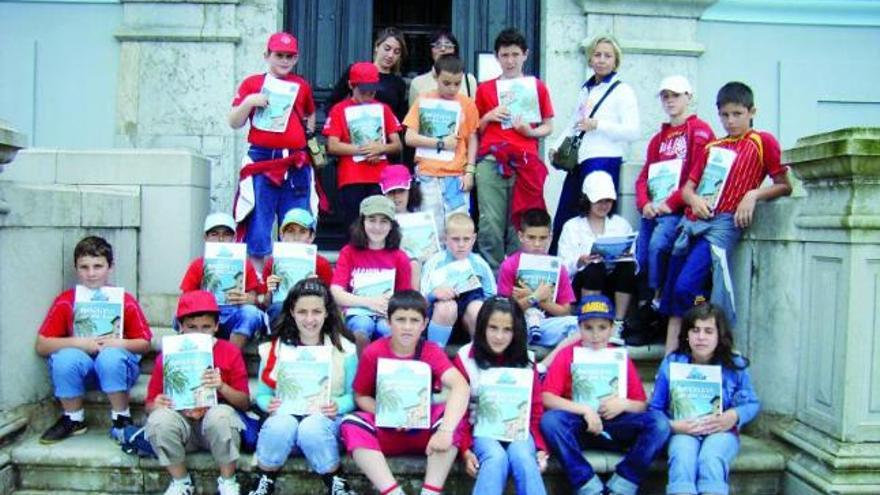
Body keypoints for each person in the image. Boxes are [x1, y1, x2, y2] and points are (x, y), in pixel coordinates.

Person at [659, 81, 792, 354]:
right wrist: (694, 200)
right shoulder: (712, 146)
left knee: (687, 287)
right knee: (673, 290)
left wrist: (753, 194)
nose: (730, 121)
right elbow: (687, 189)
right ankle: (670, 359)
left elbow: (784, 184)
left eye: (737, 114)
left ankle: (702, 345)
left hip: (723, 225)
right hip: (694, 221)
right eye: (724, 115)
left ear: (751, 111)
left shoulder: (762, 141)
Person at [340, 290, 470, 495]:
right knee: (351, 423)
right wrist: (387, 415)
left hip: (425, 432)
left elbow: (460, 386)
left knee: (452, 417)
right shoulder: (374, 351)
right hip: (388, 429)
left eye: (414, 320)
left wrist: (445, 431)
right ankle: (392, 491)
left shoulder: (431, 351)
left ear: (425, 324)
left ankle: (430, 491)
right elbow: (361, 396)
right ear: (389, 322)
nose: (407, 327)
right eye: (400, 319)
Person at [541, 295, 671, 495]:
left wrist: (623, 404)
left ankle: (624, 483)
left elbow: (641, 404)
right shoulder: (567, 354)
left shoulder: (620, 357)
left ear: (611, 329)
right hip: (579, 427)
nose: (595, 335)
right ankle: (587, 484)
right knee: (550, 422)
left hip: (616, 424)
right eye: (588, 328)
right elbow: (547, 397)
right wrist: (584, 410)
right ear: (579, 328)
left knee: (660, 423)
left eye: (602, 327)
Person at [35, 236, 152, 444]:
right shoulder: (67, 301)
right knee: (65, 358)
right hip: (83, 371)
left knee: (111, 357)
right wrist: (79, 343)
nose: (91, 273)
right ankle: (73, 418)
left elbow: (145, 343)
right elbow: (42, 344)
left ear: (110, 267)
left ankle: (121, 417)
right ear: (76, 268)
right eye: (84, 267)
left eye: (98, 266)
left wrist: (118, 343)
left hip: (118, 370)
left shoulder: (124, 300)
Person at [247, 279, 358, 495]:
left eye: (316, 311)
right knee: (280, 423)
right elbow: (261, 393)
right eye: (302, 312)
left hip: (324, 424)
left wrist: (338, 405)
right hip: (285, 420)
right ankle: (264, 479)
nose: (309, 319)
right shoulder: (274, 348)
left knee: (311, 426)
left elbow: (353, 395)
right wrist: (267, 402)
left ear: (327, 313)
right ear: (292, 312)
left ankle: (336, 481)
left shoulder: (344, 350)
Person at [145, 291, 250, 495]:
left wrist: (222, 387)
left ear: (216, 326)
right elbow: (150, 403)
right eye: (191, 327)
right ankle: (181, 481)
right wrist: (157, 404)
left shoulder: (229, 351)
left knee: (222, 415)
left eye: (206, 327)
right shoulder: (168, 354)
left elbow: (245, 402)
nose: (199, 333)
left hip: (215, 429)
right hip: (182, 428)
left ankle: (228, 481)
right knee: (158, 420)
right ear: (181, 327)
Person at [228, 32, 318, 268]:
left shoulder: (302, 86)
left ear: (296, 58)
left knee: (297, 221)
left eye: (290, 56)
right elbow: (234, 121)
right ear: (267, 55)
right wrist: (249, 102)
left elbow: (310, 114)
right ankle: (258, 281)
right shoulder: (252, 84)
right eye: (279, 55)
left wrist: (304, 137)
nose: (284, 61)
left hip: (295, 163)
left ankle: (294, 278)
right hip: (263, 162)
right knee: (259, 222)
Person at [649, 303, 760, 495]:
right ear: (686, 334)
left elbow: (752, 403)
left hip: (720, 431)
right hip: (683, 430)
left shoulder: (735, 364)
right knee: (682, 456)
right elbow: (654, 408)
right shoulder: (672, 363)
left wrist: (734, 415)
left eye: (708, 331)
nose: (701, 337)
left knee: (711, 458)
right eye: (695, 330)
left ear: (719, 335)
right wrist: (673, 426)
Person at [549, 35, 639, 254]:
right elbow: (574, 122)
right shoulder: (586, 89)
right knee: (566, 215)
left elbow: (633, 131)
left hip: (604, 159)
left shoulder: (622, 91)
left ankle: (600, 264)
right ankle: (562, 267)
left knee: (597, 216)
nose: (601, 60)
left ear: (616, 61)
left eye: (607, 56)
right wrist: (557, 145)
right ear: (590, 59)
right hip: (581, 160)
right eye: (597, 55)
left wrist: (598, 125)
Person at [474, 27, 554, 270]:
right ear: (496, 57)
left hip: (525, 161)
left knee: (520, 221)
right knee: (490, 222)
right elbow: (474, 130)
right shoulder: (484, 88)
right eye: (505, 55)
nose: (510, 61)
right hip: (491, 160)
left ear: (525, 55)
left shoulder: (537, 87)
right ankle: (494, 278)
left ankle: (517, 274)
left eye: (515, 54)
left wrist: (530, 132)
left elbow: (548, 126)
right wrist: (488, 116)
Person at [453, 297, 548, 495]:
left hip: (520, 430)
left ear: (517, 331)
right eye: (493, 327)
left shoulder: (526, 359)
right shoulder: (464, 358)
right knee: (495, 458)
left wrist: (540, 447)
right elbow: (458, 412)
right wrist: (465, 449)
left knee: (523, 456)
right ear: (482, 328)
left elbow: (536, 409)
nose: (499, 336)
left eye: (507, 330)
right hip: (480, 430)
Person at [634, 75, 714, 309]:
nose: (670, 101)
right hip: (653, 210)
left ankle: (658, 301)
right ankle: (646, 305)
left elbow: (700, 175)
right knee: (641, 257)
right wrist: (644, 203)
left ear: (688, 97)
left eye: (676, 95)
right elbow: (643, 177)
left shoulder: (700, 131)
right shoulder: (657, 138)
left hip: (679, 210)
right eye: (665, 96)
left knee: (659, 246)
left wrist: (672, 202)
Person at [404, 54, 480, 240]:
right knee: (430, 230)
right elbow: (409, 137)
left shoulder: (467, 104)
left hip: (456, 175)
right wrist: (440, 143)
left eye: (457, 83)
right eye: (446, 83)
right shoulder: (424, 99)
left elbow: (473, 138)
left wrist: (470, 171)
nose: (452, 88)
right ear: (436, 77)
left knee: (459, 230)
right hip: (428, 174)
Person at [557, 171, 636, 344]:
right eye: (599, 200)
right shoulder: (572, 226)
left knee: (627, 266)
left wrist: (625, 255)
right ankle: (588, 317)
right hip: (584, 283)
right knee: (594, 268)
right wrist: (580, 261)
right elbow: (561, 267)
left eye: (607, 200)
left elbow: (633, 258)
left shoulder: (620, 224)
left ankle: (619, 322)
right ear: (588, 200)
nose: (604, 205)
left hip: (612, 281)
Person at [324, 62, 403, 231]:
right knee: (354, 226)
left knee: (380, 226)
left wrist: (381, 149)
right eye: (363, 90)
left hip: (380, 177)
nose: (368, 94)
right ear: (351, 85)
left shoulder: (384, 108)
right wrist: (365, 150)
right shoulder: (339, 109)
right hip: (351, 177)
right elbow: (332, 145)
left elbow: (397, 144)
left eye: (372, 90)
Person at [329, 196, 412, 354]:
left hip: (387, 313)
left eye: (384, 221)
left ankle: (386, 374)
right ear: (362, 222)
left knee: (387, 328)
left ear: (391, 226)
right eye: (372, 220)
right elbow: (336, 292)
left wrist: (390, 307)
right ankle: (362, 372)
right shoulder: (349, 252)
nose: (377, 227)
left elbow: (405, 297)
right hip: (357, 312)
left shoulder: (399, 257)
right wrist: (369, 302)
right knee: (362, 326)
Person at [179, 212, 267, 349]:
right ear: (205, 237)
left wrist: (250, 298)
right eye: (214, 234)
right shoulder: (198, 264)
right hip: (204, 318)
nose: (221, 239)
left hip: (233, 316)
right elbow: (185, 298)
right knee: (178, 317)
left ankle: (231, 356)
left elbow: (255, 295)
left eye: (227, 234)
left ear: (234, 238)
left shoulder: (245, 263)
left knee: (251, 313)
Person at [497, 208, 578, 351]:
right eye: (531, 237)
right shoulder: (509, 265)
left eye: (542, 238)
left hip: (548, 324)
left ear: (550, 237)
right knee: (504, 326)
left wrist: (539, 299)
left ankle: (555, 363)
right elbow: (505, 311)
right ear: (521, 236)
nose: (537, 244)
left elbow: (566, 311)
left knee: (577, 324)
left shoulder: (558, 267)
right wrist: (534, 297)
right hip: (517, 325)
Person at [420, 212, 496, 346]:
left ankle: (480, 355)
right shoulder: (434, 262)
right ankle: (435, 354)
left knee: (478, 308)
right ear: (445, 238)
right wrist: (434, 294)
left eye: (466, 239)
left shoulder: (480, 264)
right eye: (455, 239)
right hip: (440, 319)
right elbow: (420, 302)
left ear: (473, 239)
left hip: (469, 322)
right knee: (447, 307)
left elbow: (493, 298)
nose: (461, 244)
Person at [262, 208, 334, 322]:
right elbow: (265, 304)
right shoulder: (272, 262)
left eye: (302, 231)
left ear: (311, 236)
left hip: (311, 312)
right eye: (290, 231)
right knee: (277, 308)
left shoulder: (321, 263)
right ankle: (280, 340)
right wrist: (270, 291)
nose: (296, 237)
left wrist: (319, 289)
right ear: (282, 235)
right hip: (281, 308)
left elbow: (331, 302)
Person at [327, 27, 409, 122]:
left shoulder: (399, 83)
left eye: (396, 52)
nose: (390, 55)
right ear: (377, 47)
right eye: (387, 48)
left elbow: (399, 118)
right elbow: (332, 103)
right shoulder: (356, 70)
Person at [379, 164, 423, 289]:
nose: (396, 196)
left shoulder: (422, 220)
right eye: (391, 192)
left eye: (401, 191)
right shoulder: (377, 225)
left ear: (410, 191)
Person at [408, 29, 479, 105]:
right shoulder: (418, 83)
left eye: (448, 45)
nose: (443, 49)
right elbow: (413, 114)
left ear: (455, 50)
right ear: (430, 51)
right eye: (438, 45)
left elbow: (473, 111)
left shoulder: (468, 80)